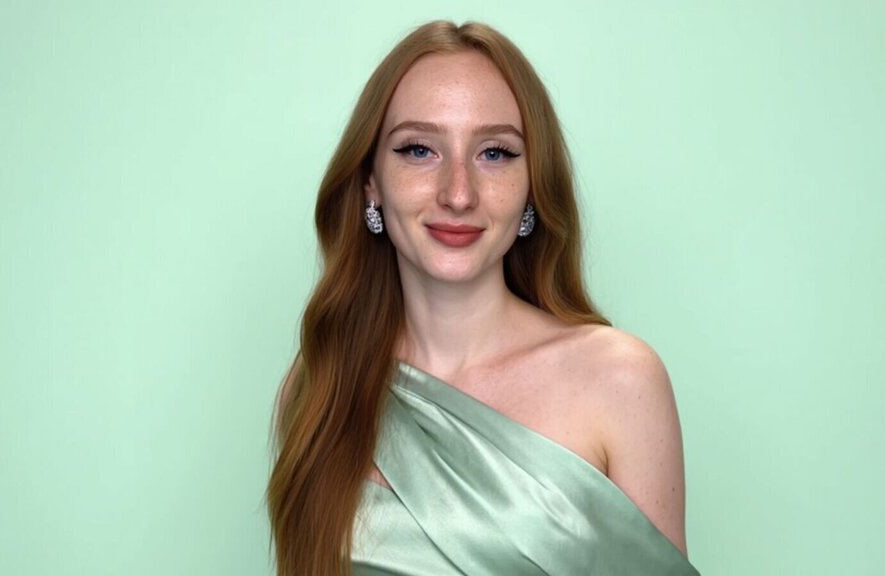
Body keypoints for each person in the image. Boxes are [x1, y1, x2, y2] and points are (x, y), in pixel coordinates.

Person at [267, 20, 698, 576]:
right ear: (371, 181)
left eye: (494, 153)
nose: (459, 193)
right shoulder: (318, 385)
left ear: (533, 185)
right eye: (419, 149)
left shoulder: (621, 381)